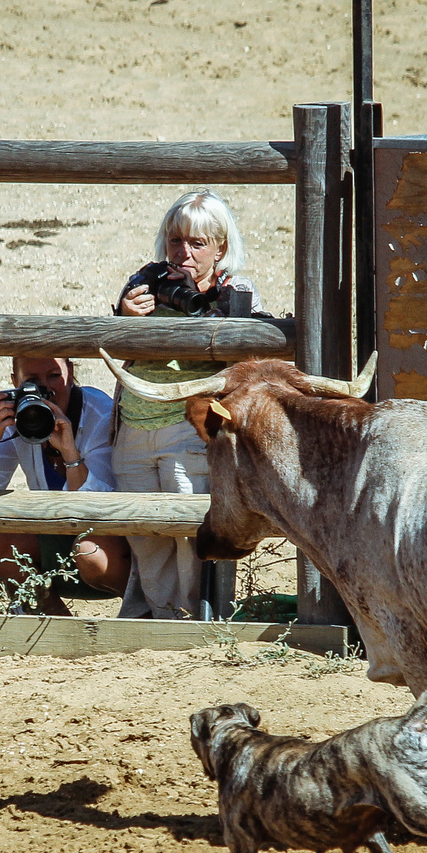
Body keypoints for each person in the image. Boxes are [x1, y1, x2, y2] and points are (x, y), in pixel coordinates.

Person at [112, 188, 265, 619]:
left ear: (222, 247)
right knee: (144, 534)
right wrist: (124, 318)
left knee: (189, 532)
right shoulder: (145, 281)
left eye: (197, 243)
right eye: (177, 240)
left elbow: (248, 358)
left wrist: (202, 309)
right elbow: (108, 346)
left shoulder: (235, 291)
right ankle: (158, 620)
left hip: (191, 429)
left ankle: (193, 624)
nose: (184, 252)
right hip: (134, 424)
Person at [0, 356, 130, 615]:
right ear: (14, 382)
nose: (45, 390)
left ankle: (140, 611)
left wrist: (69, 452)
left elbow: (96, 508)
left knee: (89, 552)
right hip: (53, 538)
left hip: (107, 547)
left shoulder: (98, 413)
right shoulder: (17, 412)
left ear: (70, 373)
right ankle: (52, 621)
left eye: (54, 376)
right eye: (31, 381)